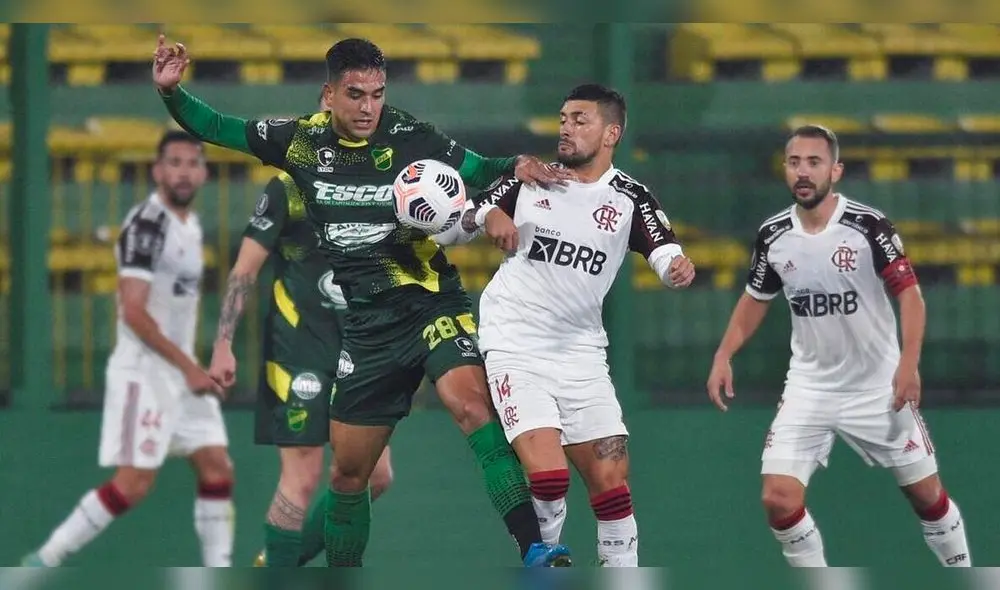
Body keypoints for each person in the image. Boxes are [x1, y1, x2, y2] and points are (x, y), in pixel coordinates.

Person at [152, 34, 575, 567]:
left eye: (377, 93)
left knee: (471, 406)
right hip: (369, 329)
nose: (369, 107)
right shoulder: (298, 142)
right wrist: (172, 94)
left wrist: (516, 163)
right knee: (349, 475)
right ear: (328, 95)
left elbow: (476, 167)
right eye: (356, 94)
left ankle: (535, 547)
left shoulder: (408, 135)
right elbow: (218, 129)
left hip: (429, 303)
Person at [705, 124, 972, 567]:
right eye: (794, 163)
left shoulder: (868, 226)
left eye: (814, 162)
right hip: (810, 388)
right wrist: (723, 353)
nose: (803, 172)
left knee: (928, 497)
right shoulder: (773, 234)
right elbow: (755, 298)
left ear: (836, 170)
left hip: (877, 387)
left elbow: (910, 296)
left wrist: (909, 362)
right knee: (778, 499)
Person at [454, 83, 696, 567]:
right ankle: (544, 568)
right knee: (548, 477)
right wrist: (487, 214)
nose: (566, 127)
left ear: (612, 133)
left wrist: (676, 269)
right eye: (563, 118)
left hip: (581, 353)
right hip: (515, 343)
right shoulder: (532, 179)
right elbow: (467, 211)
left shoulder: (630, 196)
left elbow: (664, 249)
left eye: (579, 119)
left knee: (611, 482)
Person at [21, 132, 235, 567]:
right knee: (133, 484)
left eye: (192, 163)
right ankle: (43, 561)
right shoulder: (146, 226)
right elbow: (134, 313)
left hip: (180, 369)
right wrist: (189, 368)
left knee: (217, 467)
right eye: (173, 162)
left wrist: (191, 367)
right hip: (146, 370)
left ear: (204, 173)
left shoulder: (189, 226)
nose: (183, 171)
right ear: (157, 171)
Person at [208, 92, 395, 568]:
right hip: (299, 351)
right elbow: (245, 269)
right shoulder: (286, 186)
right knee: (303, 475)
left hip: (360, 351)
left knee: (376, 477)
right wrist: (223, 344)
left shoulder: (384, 184)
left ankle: (275, 563)